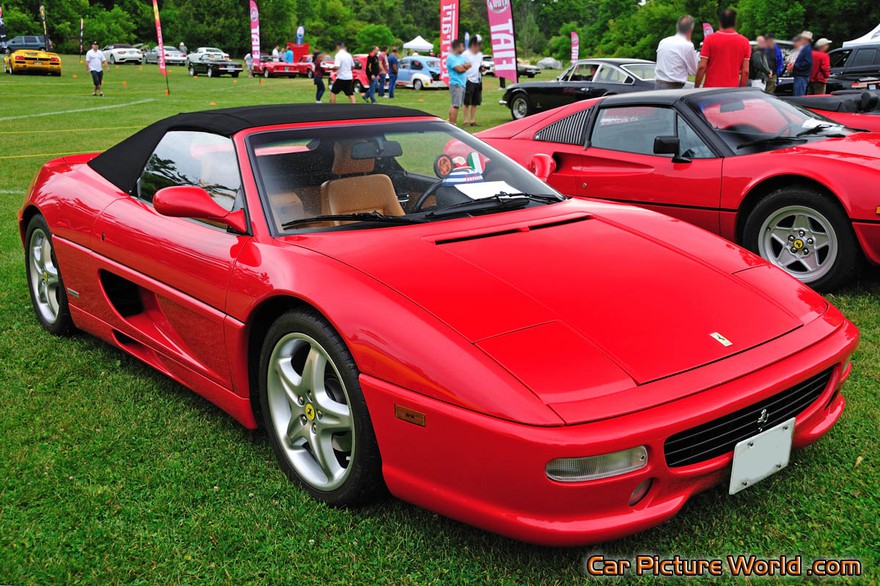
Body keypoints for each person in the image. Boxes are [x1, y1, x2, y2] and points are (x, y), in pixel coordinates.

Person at [695, 8, 750, 88]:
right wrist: (740, 91)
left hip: (710, 90)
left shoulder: (710, 39)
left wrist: (696, 87)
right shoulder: (744, 42)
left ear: (720, 22)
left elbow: (702, 67)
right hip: (731, 91)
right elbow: (745, 71)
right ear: (735, 22)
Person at [655, 15, 698, 89]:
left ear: (677, 27)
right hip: (674, 87)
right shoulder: (688, 45)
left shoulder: (663, 41)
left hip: (658, 84)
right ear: (690, 29)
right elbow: (693, 71)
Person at [446, 39, 470, 125]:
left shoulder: (460, 57)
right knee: (455, 105)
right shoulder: (451, 58)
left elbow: (469, 64)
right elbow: (459, 69)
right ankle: (453, 124)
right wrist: (465, 67)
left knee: (455, 104)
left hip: (462, 83)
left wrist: (464, 67)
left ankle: (450, 122)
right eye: (462, 46)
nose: (463, 48)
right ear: (457, 47)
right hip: (456, 84)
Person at [463, 36, 483, 126]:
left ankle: (472, 120)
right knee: (467, 101)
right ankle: (465, 120)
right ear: (473, 44)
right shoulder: (465, 54)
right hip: (469, 80)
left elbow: (479, 66)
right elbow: (461, 66)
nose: (479, 47)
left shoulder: (479, 55)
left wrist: (482, 69)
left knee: (475, 102)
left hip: (477, 80)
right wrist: (465, 77)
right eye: (477, 45)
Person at [790, 31, 813, 96]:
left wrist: (795, 66)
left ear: (806, 39)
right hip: (801, 76)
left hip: (802, 76)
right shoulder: (805, 48)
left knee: (798, 96)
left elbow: (808, 63)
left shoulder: (807, 49)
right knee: (798, 94)